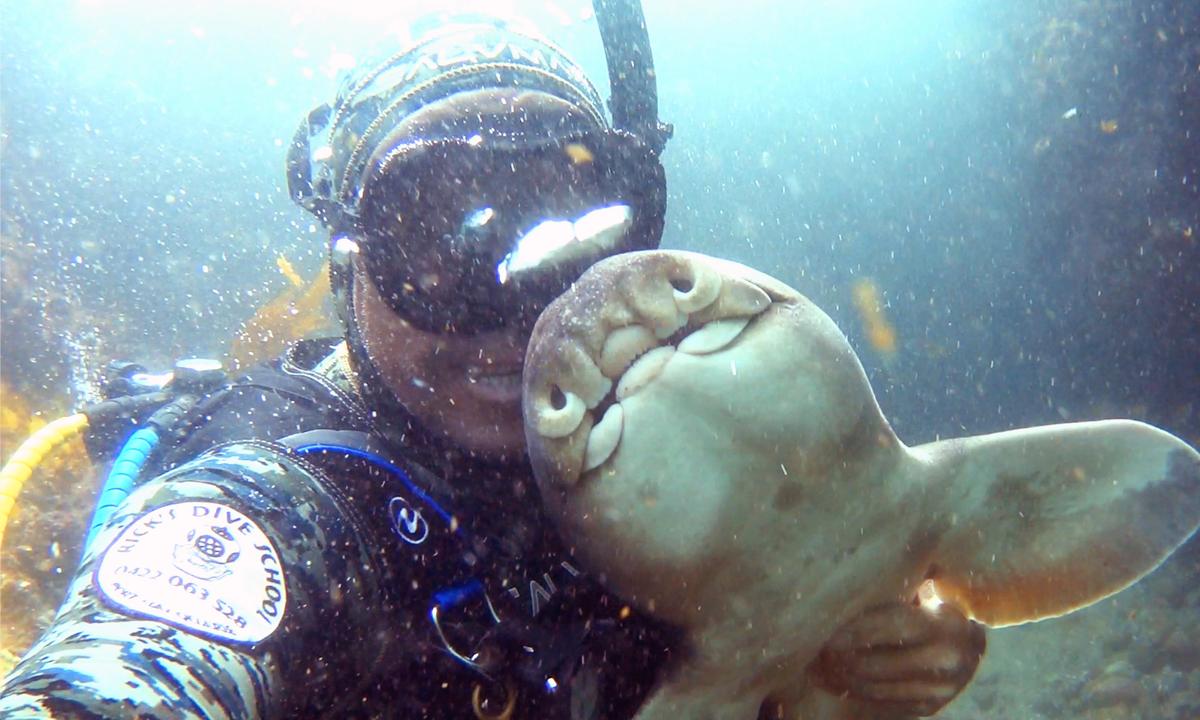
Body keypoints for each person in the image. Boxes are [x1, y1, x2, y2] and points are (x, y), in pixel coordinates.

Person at [0, 7, 984, 719]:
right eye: (433, 238)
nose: (515, 310)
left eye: (566, 231)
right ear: (348, 267)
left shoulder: (672, 466)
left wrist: (841, 668)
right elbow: (136, 672)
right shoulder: (286, 498)